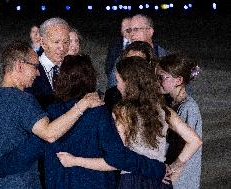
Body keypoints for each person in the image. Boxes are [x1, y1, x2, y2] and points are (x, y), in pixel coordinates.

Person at [0, 55, 168, 189]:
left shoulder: (51, 114)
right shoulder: (99, 114)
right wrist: (157, 169)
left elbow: (26, 152)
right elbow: (118, 156)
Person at [0, 41, 102, 189]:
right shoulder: (24, 100)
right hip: (23, 183)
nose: (38, 73)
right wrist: (82, 105)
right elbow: (49, 133)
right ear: (19, 66)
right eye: (35, 67)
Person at [57, 57, 202, 189]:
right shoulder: (164, 110)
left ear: (128, 83)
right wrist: (174, 167)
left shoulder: (123, 112)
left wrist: (75, 160)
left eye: (118, 80)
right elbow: (195, 141)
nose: (117, 85)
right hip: (160, 181)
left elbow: (117, 160)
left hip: (134, 181)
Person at [156, 54, 202, 189]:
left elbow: (188, 147)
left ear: (178, 80)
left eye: (161, 77)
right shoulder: (171, 102)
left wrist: (172, 173)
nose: (157, 81)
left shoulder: (188, 108)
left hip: (181, 182)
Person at [25, 17, 71, 108]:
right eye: (56, 42)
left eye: (66, 42)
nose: (62, 47)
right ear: (43, 43)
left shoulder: (76, 67)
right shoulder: (28, 68)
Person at [105, 41, 155, 111]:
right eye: (127, 61)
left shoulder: (158, 96)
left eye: (137, 62)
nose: (131, 66)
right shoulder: (112, 95)